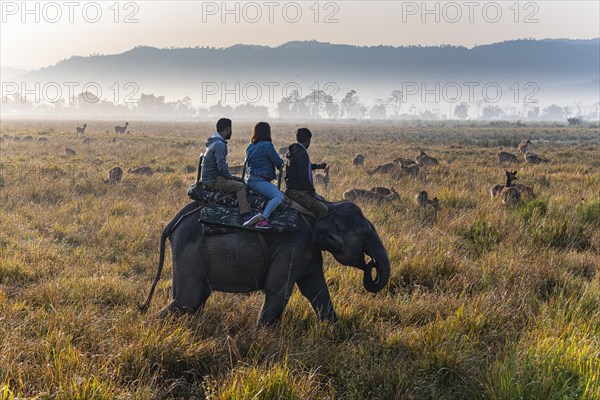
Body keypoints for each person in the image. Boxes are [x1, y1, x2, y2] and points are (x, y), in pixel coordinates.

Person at [201, 118, 262, 227]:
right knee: (240, 187)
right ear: (227, 129)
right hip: (213, 179)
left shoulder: (214, 142)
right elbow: (222, 167)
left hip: (212, 177)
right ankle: (246, 215)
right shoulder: (219, 145)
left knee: (239, 181)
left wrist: (231, 178)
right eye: (230, 129)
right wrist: (230, 178)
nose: (231, 132)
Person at [245, 122, 285, 230]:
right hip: (259, 180)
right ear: (267, 132)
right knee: (279, 196)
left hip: (249, 179)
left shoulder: (250, 146)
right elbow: (278, 162)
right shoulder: (267, 145)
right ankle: (263, 219)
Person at [284, 127, 329, 218]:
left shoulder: (293, 150)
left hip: (291, 189)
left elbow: (302, 167)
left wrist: (318, 166)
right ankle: (318, 232)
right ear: (308, 140)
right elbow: (303, 177)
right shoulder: (302, 154)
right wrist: (312, 192)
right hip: (298, 192)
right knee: (323, 209)